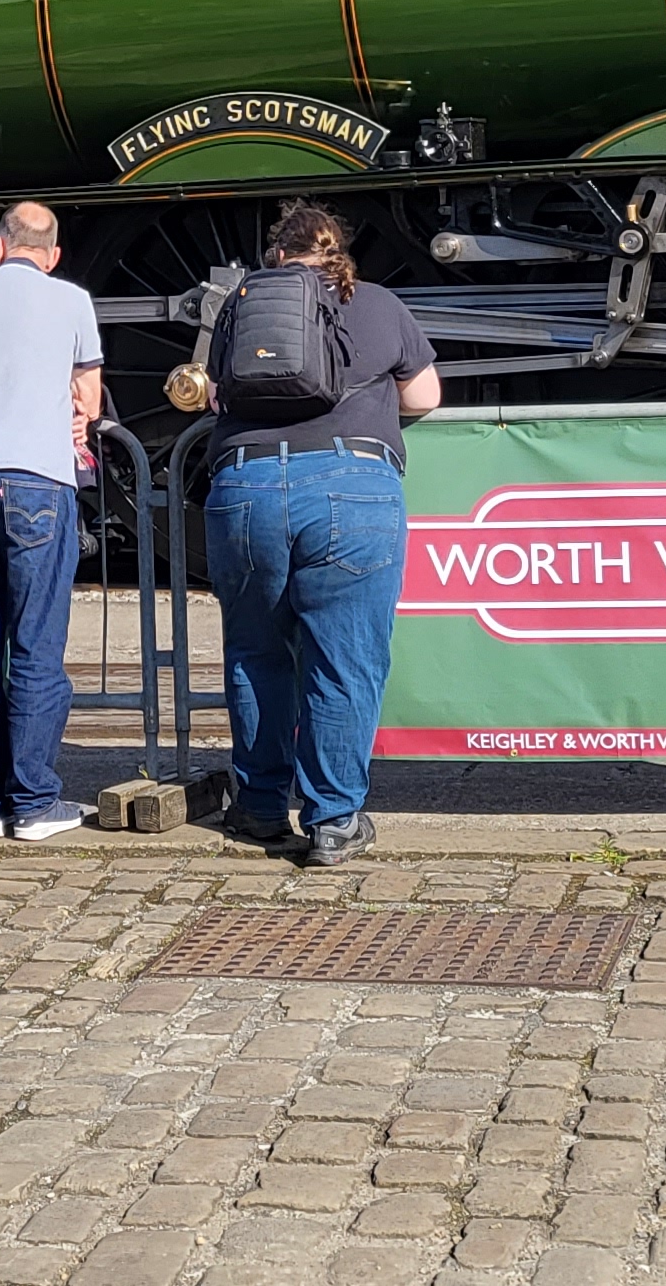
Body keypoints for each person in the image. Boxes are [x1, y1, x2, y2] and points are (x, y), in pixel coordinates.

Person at [203, 201, 438, 867]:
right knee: (344, 658)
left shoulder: (241, 304)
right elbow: (425, 397)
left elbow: (217, 394)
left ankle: (259, 806)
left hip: (245, 488)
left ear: (278, 255)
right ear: (341, 255)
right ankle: (334, 819)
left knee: (256, 652)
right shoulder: (381, 303)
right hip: (351, 489)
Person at [0, 204, 108, 843]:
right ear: (54, 254)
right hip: (38, 477)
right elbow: (85, 401)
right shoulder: (72, 300)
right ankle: (34, 803)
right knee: (36, 642)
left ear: (0, 245)